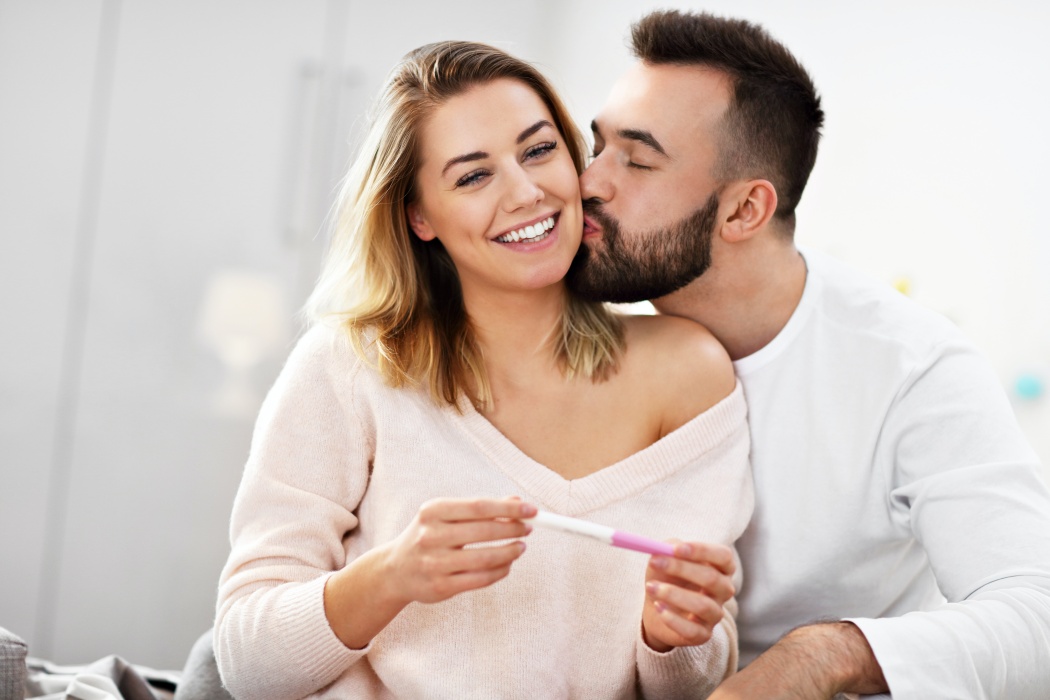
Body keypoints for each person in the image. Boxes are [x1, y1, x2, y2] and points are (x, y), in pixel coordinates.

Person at [214, 41, 754, 699]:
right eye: (473, 176)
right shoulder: (349, 366)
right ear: (419, 216)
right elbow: (246, 666)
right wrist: (390, 578)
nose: (527, 193)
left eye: (538, 150)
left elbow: (696, 682)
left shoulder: (688, 374)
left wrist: (678, 638)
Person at [568, 9, 1050, 700]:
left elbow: (1039, 613)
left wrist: (826, 654)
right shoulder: (567, 325)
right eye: (597, 147)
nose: (589, 183)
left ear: (744, 212)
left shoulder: (912, 369)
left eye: (638, 161)